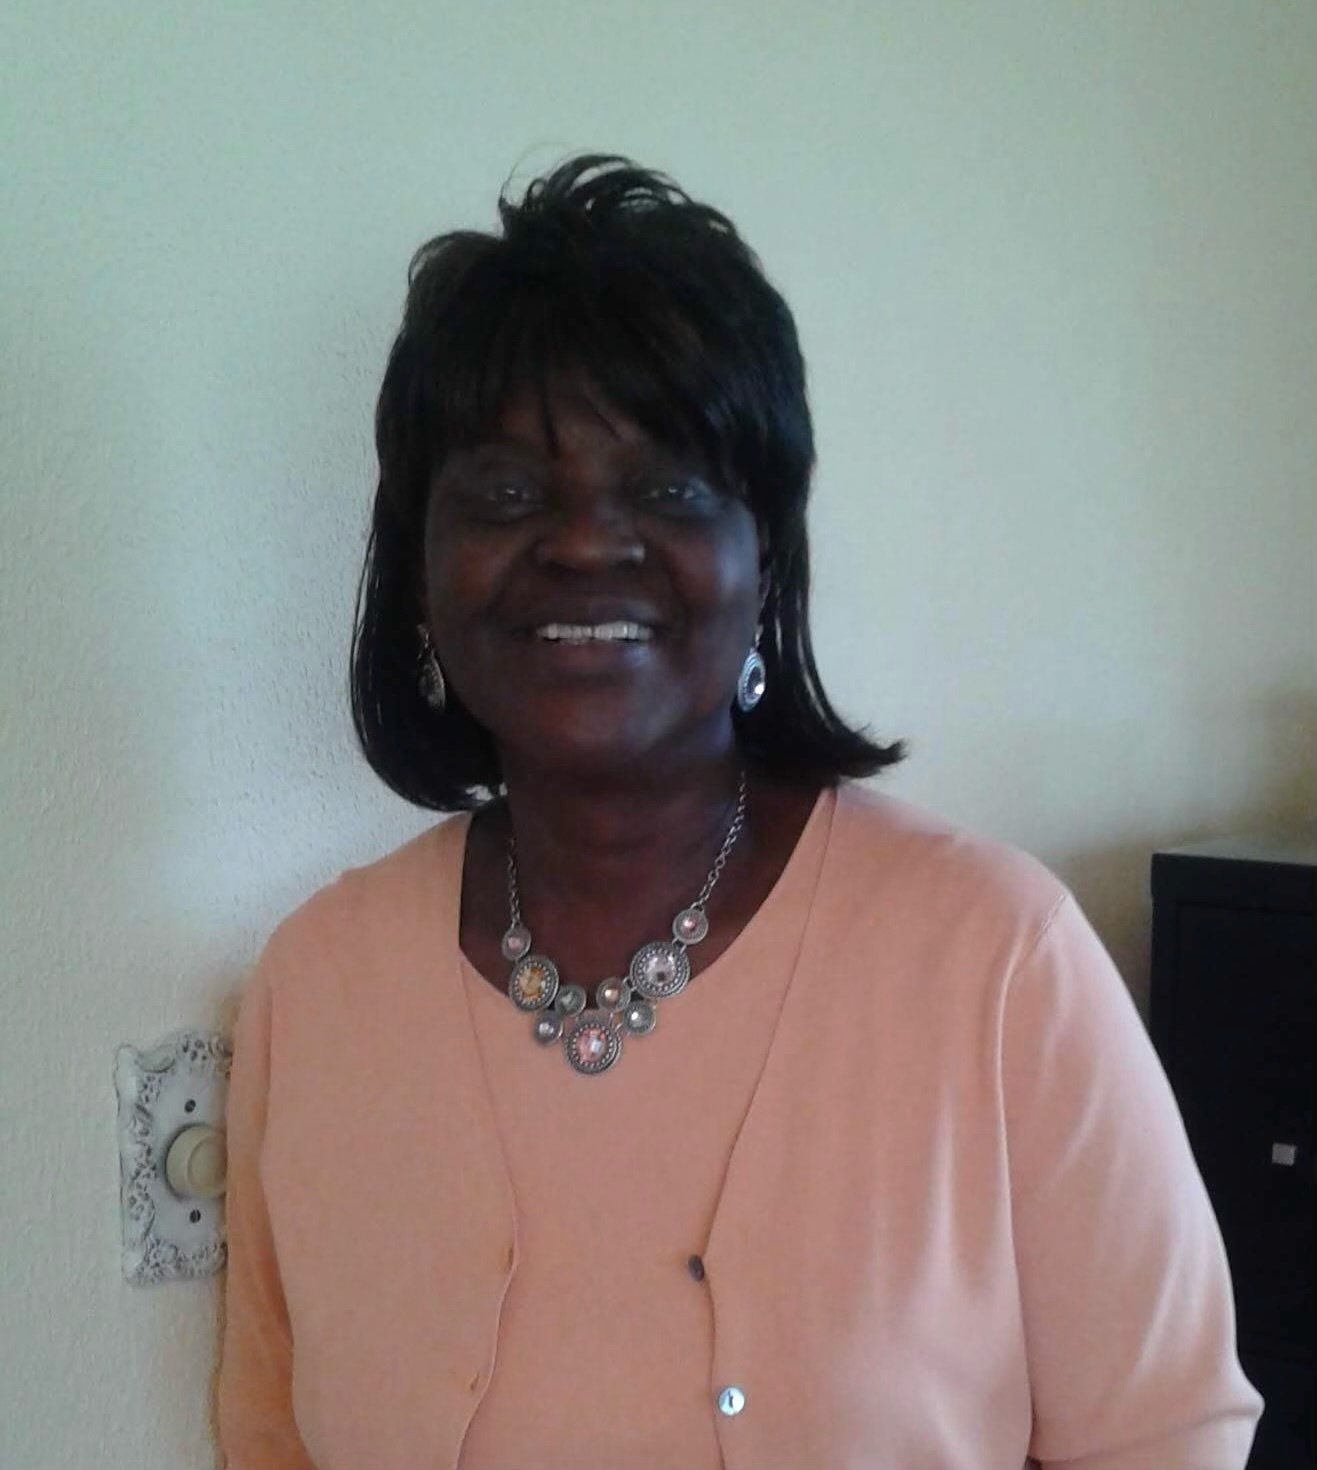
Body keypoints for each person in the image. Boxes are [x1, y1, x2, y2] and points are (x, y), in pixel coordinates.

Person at [217, 155, 1262, 1470]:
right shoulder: (314, 986)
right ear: (419, 572)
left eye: (665, 487)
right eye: (503, 492)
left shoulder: (992, 959)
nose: (585, 542)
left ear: (760, 555)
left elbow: (1165, 1437)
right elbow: (266, 1440)